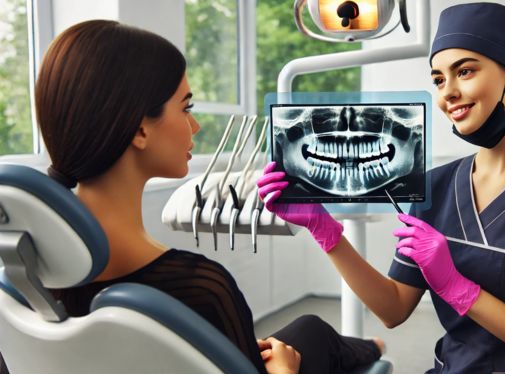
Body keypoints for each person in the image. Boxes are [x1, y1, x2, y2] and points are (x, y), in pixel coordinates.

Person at [0, 20, 384, 374]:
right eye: (186, 107)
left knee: (307, 329)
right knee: (314, 337)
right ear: (139, 130)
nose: (195, 124)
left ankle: (364, 346)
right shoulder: (202, 289)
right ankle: (372, 351)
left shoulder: (22, 287)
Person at [257, 3, 505, 373]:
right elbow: (393, 308)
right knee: (305, 336)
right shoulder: (438, 186)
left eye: (466, 71)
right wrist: (324, 229)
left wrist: (460, 289)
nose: (449, 93)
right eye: (439, 79)